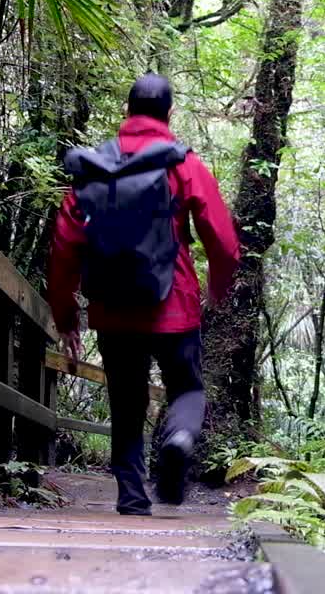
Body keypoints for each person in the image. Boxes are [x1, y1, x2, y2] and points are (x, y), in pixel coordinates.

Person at [48, 73, 239, 516]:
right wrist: (218, 285)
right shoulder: (181, 163)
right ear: (169, 113)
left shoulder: (95, 167)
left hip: (113, 311)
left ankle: (132, 498)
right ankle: (179, 437)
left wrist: (65, 316)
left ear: (127, 111)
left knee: (127, 403)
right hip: (173, 304)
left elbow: (64, 246)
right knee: (188, 390)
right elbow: (224, 240)